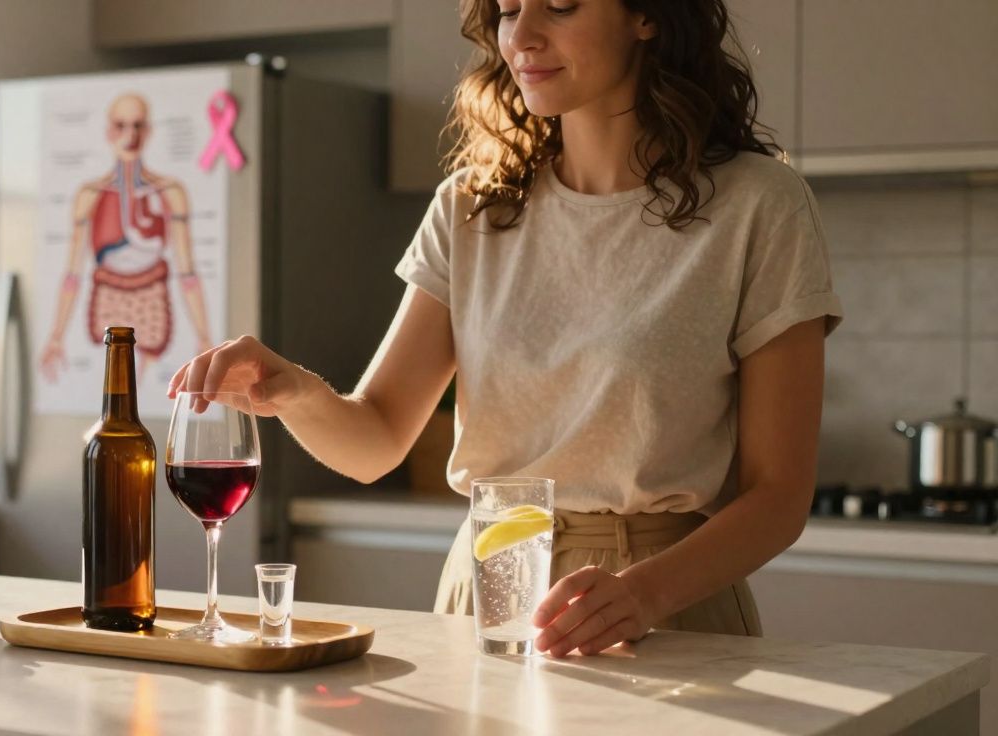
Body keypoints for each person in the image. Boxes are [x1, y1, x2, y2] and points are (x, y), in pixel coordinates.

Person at [168, 0, 842, 658]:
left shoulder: (761, 205)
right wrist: (297, 393)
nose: (523, 36)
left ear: (648, 15)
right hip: (487, 598)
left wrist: (644, 595)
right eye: (509, 10)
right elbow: (375, 439)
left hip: (669, 612)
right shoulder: (470, 207)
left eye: (560, 7)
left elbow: (778, 494)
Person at [41, 93, 213, 384]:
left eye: (137, 126)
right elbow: (72, 273)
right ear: (109, 132)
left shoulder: (171, 192)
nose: (129, 135)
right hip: (108, 299)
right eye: (120, 126)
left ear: (148, 131)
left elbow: (188, 272)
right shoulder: (89, 195)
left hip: (152, 301)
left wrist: (205, 338)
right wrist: (56, 337)